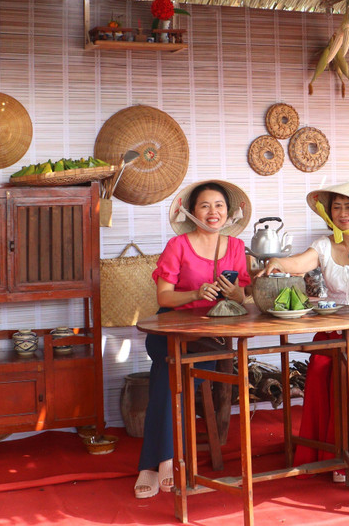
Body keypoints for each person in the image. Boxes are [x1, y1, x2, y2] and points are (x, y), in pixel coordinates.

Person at [261, 180, 349, 480]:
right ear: (328, 212)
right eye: (337, 207)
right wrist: (279, 261)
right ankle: (324, 453)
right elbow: (299, 263)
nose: (343, 213)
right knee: (320, 370)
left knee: (348, 375)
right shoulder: (324, 244)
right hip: (333, 330)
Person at [133, 179, 253, 499]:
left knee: (169, 378)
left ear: (228, 213)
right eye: (205, 205)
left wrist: (235, 293)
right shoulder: (179, 246)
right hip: (168, 331)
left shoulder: (237, 248)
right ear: (192, 211)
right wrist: (195, 294)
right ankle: (169, 459)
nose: (212, 212)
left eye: (219, 206)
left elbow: (244, 298)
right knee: (172, 370)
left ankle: (154, 463)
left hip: (208, 337)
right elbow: (165, 296)